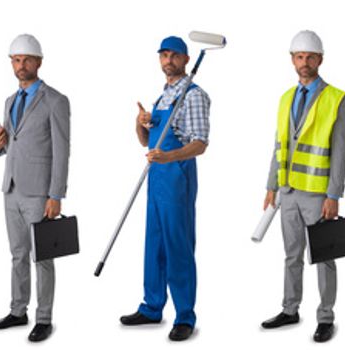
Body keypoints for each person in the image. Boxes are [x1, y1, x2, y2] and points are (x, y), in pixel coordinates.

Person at [258, 30, 345, 343]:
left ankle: (325, 318)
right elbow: (278, 145)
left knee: (324, 256)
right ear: (292, 60)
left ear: (320, 60)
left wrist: (334, 194)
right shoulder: (285, 98)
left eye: (310, 57)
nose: (305, 62)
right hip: (288, 192)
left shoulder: (337, 98)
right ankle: (290, 309)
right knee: (291, 254)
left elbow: (340, 150)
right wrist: (271, 185)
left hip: (317, 193)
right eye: (299, 57)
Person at [118, 35, 212, 342]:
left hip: (177, 178)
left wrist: (168, 156)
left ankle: (185, 315)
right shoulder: (163, 97)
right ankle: (152, 306)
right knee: (154, 244)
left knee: (178, 245)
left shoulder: (193, 95)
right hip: (157, 178)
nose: (168, 60)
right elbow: (147, 142)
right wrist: (140, 122)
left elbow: (200, 144)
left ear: (186, 60)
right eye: (164, 55)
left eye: (174, 55)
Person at [0, 33, 72, 343]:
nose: (20, 66)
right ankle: (18, 310)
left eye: (26, 60)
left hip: (39, 192)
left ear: (38, 62)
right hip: (11, 188)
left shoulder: (55, 101)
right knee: (17, 254)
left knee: (42, 257)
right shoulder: (10, 101)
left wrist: (56, 194)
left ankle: (44, 318)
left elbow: (62, 150)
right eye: (16, 60)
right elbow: (9, 144)